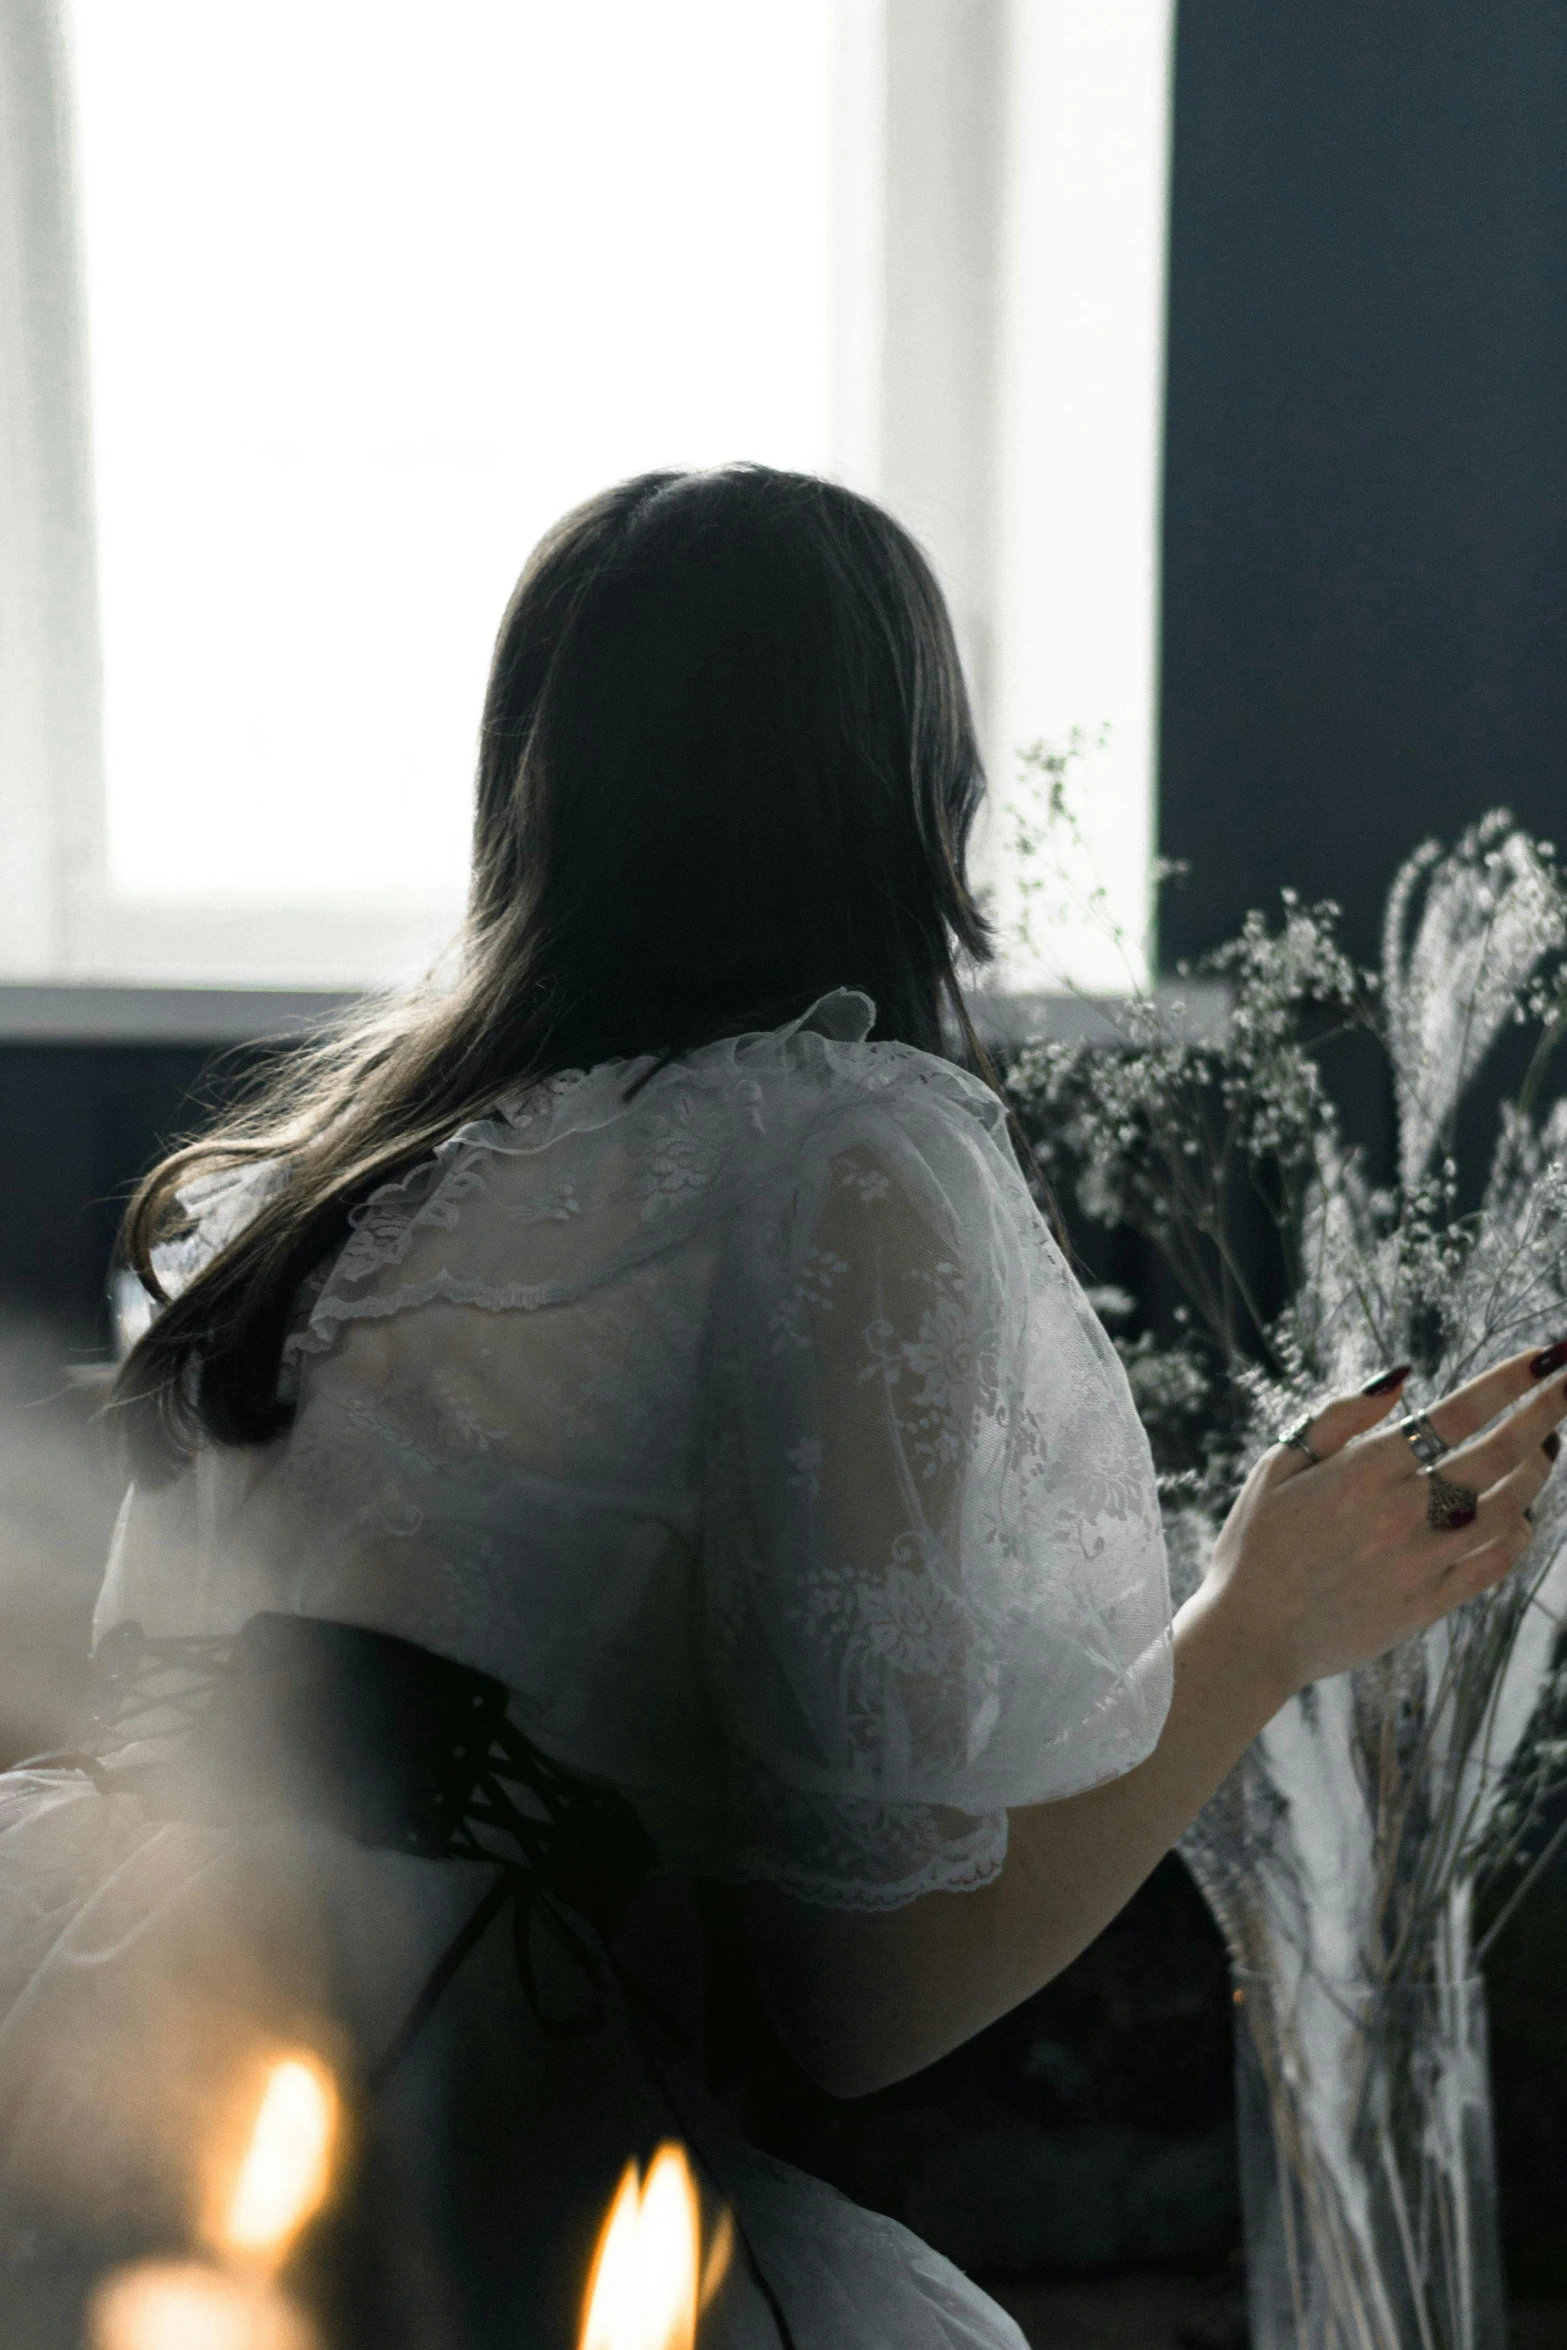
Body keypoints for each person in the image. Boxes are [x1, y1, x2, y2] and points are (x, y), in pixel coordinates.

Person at [0, 464, 1559, 2350]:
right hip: (448, 2134)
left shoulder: (306, 1188)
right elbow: (854, 2009)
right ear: (911, 788)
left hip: (105, 2037)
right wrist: (1249, 1629)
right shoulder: (835, 1157)